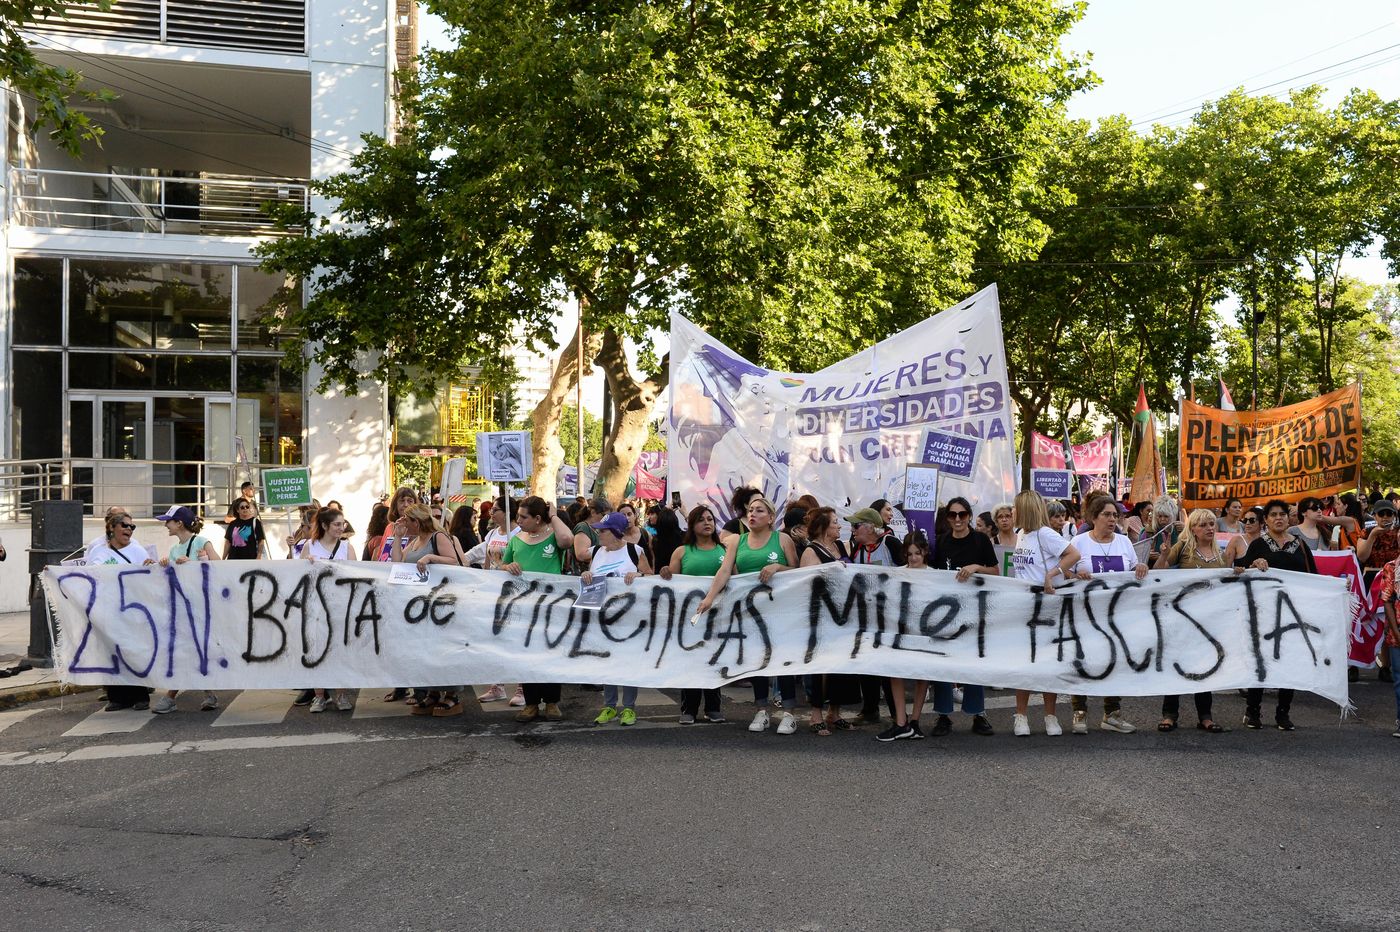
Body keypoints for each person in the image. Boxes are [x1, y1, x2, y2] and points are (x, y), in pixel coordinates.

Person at [696, 496, 800, 734]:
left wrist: (778, 567)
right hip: (751, 613)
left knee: (783, 660)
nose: (753, 514)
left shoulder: (782, 540)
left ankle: (789, 713)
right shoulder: (736, 541)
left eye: (759, 511)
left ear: (771, 518)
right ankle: (761, 710)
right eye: (750, 510)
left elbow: (798, 573)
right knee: (757, 660)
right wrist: (710, 597)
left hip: (781, 612)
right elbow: (724, 572)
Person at [1233, 498, 1319, 730]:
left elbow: (1314, 578)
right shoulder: (1259, 545)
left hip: (1293, 616)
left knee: (1289, 663)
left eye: (1282, 514)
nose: (1278, 518)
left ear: (1288, 518)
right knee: (1260, 662)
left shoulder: (1300, 545)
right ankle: (1253, 711)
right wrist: (1253, 565)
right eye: (1273, 515)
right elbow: (1241, 574)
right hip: (1264, 615)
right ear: (1266, 521)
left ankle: (1283, 713)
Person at [1065, 493, 1147, 735]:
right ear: (1093, 517)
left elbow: (1134, 569)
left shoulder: (1123, 542)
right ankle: (1079, 712)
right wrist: (1074, 575)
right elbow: (1063, 572)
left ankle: (1112, 713)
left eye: (1116, 515)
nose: (1113, 519)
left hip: (1116, 616)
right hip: (1084, 614)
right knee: (1082, 660)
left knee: (1114, 660)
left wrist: (1141, 566)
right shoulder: (1079, 542)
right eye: (1107, 515)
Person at [1010, 489, 1079, 737]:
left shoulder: (1045, 534)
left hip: (1047, 606)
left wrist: (1052, 574)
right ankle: (1021, 716)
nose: (1013, 511)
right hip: (1024, 606)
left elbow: (1074, 554)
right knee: (1024, 663)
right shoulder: (1021, 535)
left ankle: (1050, 715)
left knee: (1048, 661)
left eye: (1016, 507)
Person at [501, 496, 576, 723]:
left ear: (537, 518)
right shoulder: (516, 540)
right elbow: (503, 565)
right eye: (518, 516)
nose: (518, 520)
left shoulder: (553, 535)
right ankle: (531, 703)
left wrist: (554, 516)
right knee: (527, 654)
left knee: (550, 653)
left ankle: (552, 702)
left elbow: (568, 540)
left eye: (524, 517)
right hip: (523, 608)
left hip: (551, 607)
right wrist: (508, 566)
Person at [1153, 507, 1228, 733]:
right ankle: (1169, 715)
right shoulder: (1184, 548)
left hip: (1209, 621)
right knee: (1176, 664)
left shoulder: (1221, 555)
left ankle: (1205, 716)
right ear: (1193, 529)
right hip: (1182, 618)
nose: (1209, 529)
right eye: (1203, 525)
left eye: (1212, 524)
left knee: (1205, 667)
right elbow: (1158, 572)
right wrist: (1165, 554)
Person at [929, 495, 997, 737]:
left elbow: (996, 572)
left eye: (962, 515)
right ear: (947, 518)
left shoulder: (980, 541)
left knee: (973, 661)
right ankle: (943, 715)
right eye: (952, 515)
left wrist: (976, 567)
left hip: (974, 609)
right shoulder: (941, 542)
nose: (957, 519)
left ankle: (978, 713)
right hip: (946, 612)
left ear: (969, 515)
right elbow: (935, 574)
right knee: (944, 662)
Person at [392, 504, 467, 717]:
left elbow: (454, 562)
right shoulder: (415, 541)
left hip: (442, 602)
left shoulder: (438, 537)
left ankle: (452, 693)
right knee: (428, 649)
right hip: (421, 604)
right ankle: (433, 691)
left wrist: (431, 558)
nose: (404, 524)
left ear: (416, 521)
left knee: (446, 648)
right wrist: (398, 538)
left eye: (406, 521)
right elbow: (398, 563)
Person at [579, 512, 654, 726]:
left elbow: (651, 576)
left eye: (602, 531)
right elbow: (590, 578)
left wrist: (639, 576)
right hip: (602, 620)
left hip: (629, 619)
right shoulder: (595, 552)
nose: (599, 534)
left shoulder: (634, 550)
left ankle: (629, 708)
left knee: (629, 662)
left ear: (615, 532)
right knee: (607, 662)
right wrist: (586, 576)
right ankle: (609, 707)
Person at [661, 505, 727, 724]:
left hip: (718, 617)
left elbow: (736, 580)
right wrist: (665, 573)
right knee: (690, 660)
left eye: (710, 519)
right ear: (692, 525)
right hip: (690, 618)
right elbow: (673, 583)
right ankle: (688, 709)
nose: (707, 523)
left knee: (713, 659)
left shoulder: (725, 551)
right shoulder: (681, 552)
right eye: (701, 520)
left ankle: (713, 707)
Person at [151, 506, 220, 714]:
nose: (166, 525)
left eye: (168, 521)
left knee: (188, 651)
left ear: (179, 523)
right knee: (189, 651)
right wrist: (162, 565)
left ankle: (171, 696)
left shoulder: (201, 542)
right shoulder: (174, 549)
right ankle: (208, 694)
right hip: (182, 608)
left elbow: (220, 566)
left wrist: (196, 563)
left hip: (200, 608)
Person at [87, 512, 157, 711]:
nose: (129, 530)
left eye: (132, 527)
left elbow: (148, 579)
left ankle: (140, 695)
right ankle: (117, 697)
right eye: (125, 526)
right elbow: (90, 578)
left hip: (132, 610)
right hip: (108, 609)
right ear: (112, 528)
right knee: (112, 652)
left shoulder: (138, 551)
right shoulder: (98, 552)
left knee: (133, 651)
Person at [798, 506, 854, 735]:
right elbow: (805, 583)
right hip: (820, 614)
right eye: (834, 522)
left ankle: (835, 711)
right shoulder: (811, 552)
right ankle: (816, 714)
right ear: (823, 527)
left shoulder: (840, 546)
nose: (839, 526)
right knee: (820, 664)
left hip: (842, 614)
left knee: (839, 663)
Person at [846, 507, 901, 724]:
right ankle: (870, 709)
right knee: (867, 663)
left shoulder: (891, 544)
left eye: (856, 525)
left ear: (870, 527)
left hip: (891, 616)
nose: (852, 530)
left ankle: (898, 714)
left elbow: (910, 570)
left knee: (888, 666)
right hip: (866, 617)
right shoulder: (858, 550)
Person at [877, 533, 933, 742]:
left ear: (925, 552)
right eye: (909, 554)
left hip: (923, 633)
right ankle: (901, 721)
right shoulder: (897, 573)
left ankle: (915, 721)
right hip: (899, 632)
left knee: (922, 675)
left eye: (917, 553)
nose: (913, 558)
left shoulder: (935, 575)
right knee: (895, 672)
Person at [301, 507, 356, 713]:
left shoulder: (346, 547)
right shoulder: (311, 546)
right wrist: (306, 564)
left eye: (342, 524)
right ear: (325, 526)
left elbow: (354, 574)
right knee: (316, 649)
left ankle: (341, 694)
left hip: (340, 605)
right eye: (337, 524)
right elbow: (299, 575)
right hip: (316, 605)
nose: (341, 528)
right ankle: (319, 696)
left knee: (339, 648)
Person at [470, 499, 523, 705]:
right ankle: (497, 686)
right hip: (493, 592)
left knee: (516, 640)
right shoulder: (491, 534)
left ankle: (521, 688)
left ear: (508, 512)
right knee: (495, 639)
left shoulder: (519, 534)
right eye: (491, 510)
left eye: (496, 510)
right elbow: (486, 562)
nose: (491, 513)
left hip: (512, 592)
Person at [1377, 555, 1400, 737]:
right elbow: (1387, 601)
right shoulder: (1392, 567)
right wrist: (1396, 632)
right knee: (1399, 679)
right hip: (1397, 634)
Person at [649, 505, 684, 572]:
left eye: (652, 514)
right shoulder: (683, 537)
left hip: (661, 578)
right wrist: (685, 513)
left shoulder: (655, 541)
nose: (649, 517)